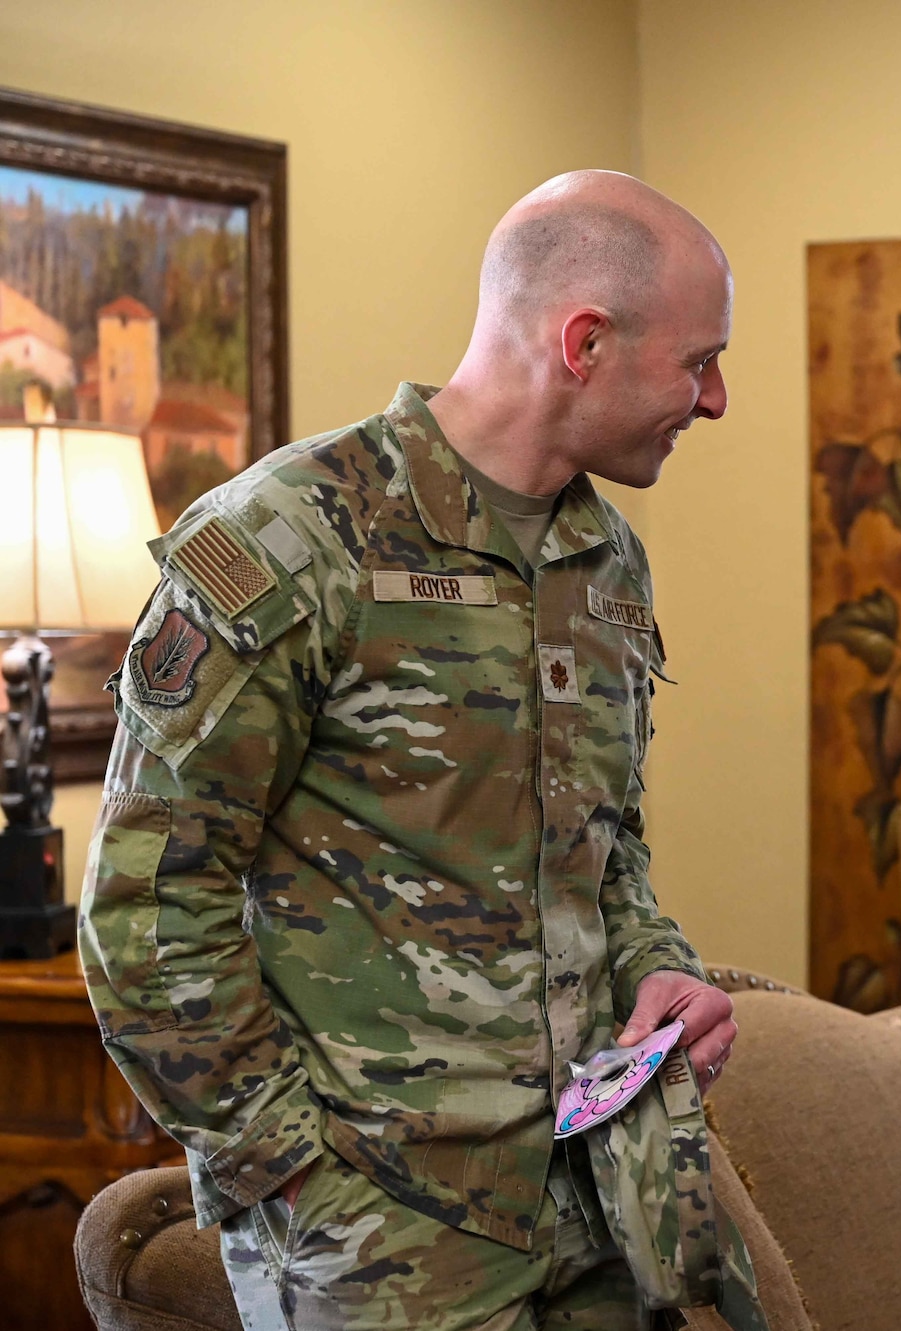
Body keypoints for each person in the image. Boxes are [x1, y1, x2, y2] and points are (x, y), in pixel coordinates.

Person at [81, 171, 744, 1331]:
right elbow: (146, 901)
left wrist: (656, 968)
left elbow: (603, 848)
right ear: (584, 342)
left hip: (599, 1188)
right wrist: (287, 1170)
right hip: (378, 1227)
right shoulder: (290, 537)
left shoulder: (605, 560)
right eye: (700, 361)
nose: (718, 398)